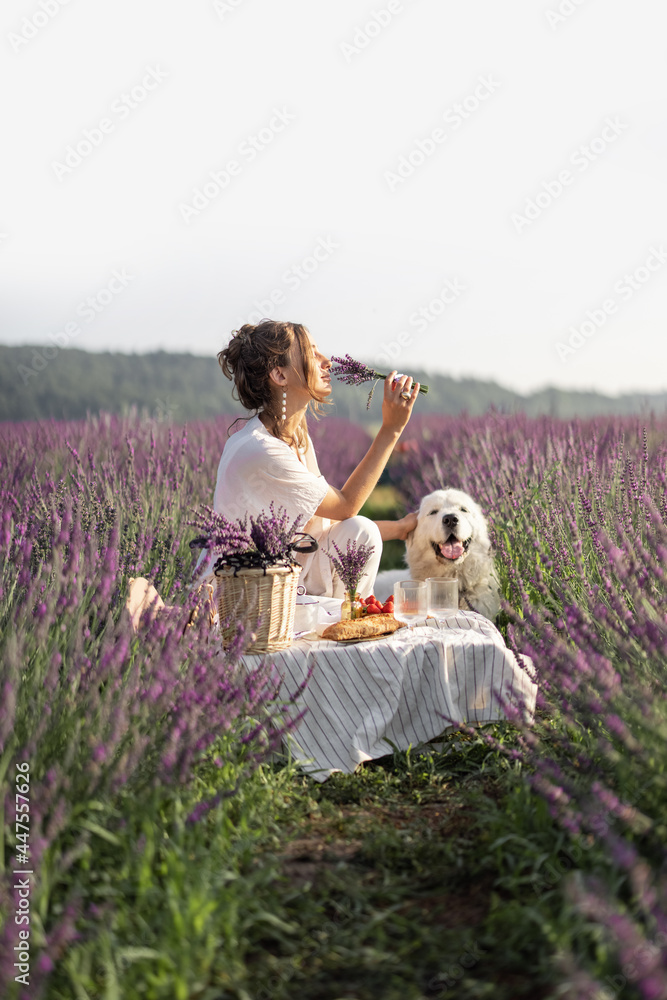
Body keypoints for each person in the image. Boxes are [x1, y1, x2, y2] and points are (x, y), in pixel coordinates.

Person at [213, 320, 419, 598]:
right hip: (243, 595)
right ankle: (345, 621)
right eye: (312, 353)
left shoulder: (297, 440)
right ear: (280, 375)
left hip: (278, 573)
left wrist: (402, 527)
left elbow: (331, 526)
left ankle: (345, 619)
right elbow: (346, 506)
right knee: (361, 529)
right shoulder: (262, 450)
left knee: (360, 532)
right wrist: (392, 429)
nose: (328, 362)